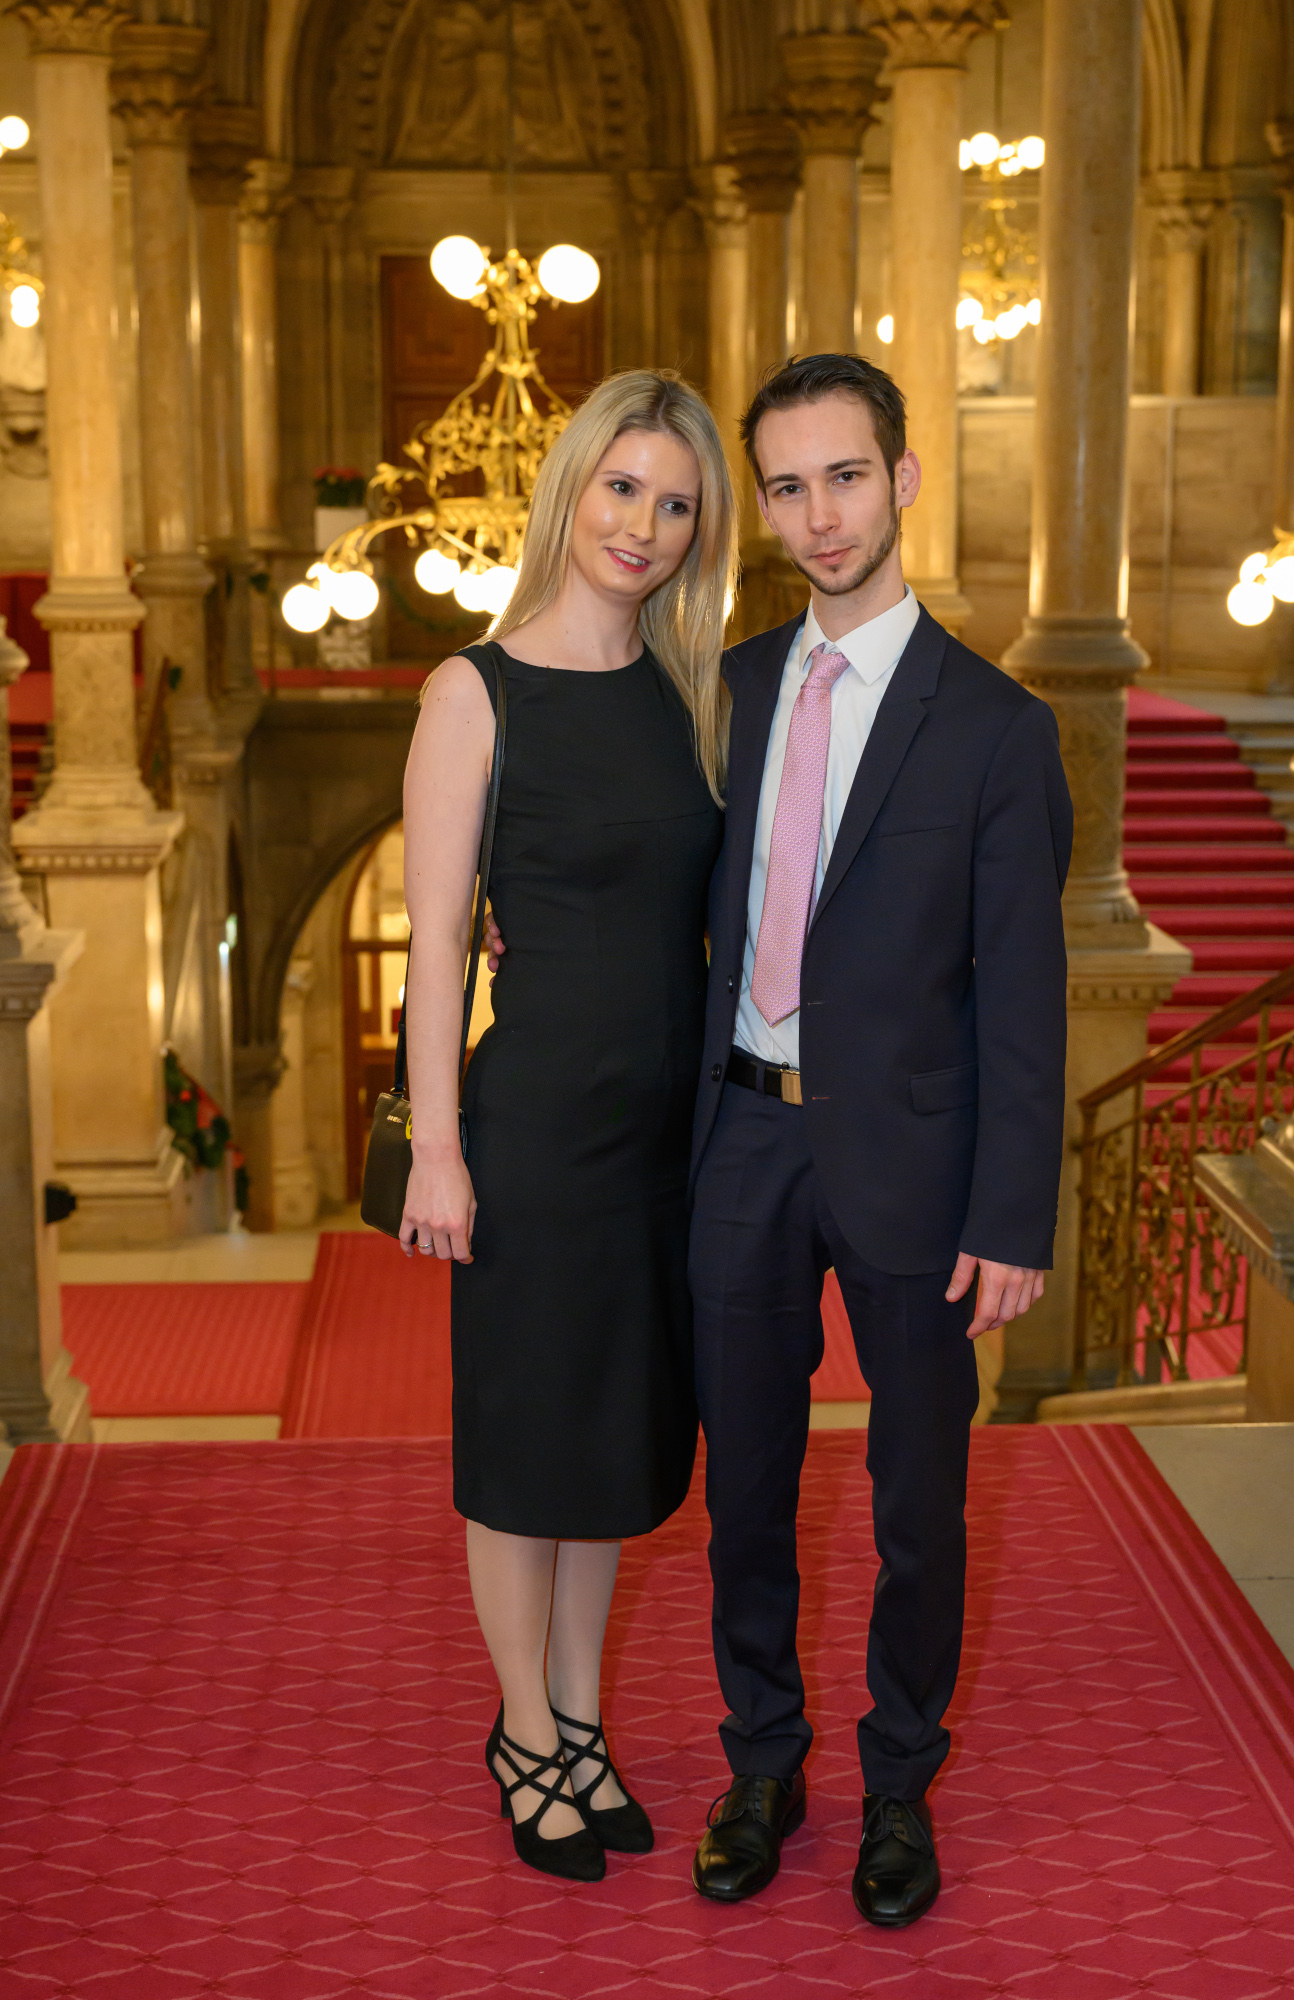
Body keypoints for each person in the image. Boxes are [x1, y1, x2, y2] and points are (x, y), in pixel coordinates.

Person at [687, 353, 1073, 1926]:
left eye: (845, 476)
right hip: (740, 1140)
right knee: (743, 1489)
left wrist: (1012, 1214)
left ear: (902, 480)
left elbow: (1022, 993)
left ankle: (898, 1782)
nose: (820, 514)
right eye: (787, 487)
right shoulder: (723, 689)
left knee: (916, 1505)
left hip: (917, 1166)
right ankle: (761, 1762)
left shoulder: (994, 727)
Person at [399, 370, 737, 1884]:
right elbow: (435, 947)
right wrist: (438, 1148)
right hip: (532, 1135)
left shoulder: (693, 694)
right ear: (570, 487)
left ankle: (583, 1720)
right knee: (528, 1443)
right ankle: (524, 1731)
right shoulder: (474, 694)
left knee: (613, 1445)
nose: (643, 526)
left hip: (668, 1144)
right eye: (622, 488)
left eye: (675, 504)